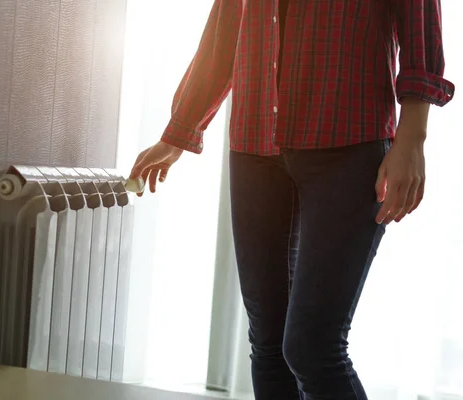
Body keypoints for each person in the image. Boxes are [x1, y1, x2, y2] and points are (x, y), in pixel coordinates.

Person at [128, 0, 454, 399]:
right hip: (255, 139)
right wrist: (179, 132)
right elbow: (227, 24)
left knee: (312, 347)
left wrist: (412, 140)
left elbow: (419, 23)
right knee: (267, 345)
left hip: (349, 139)